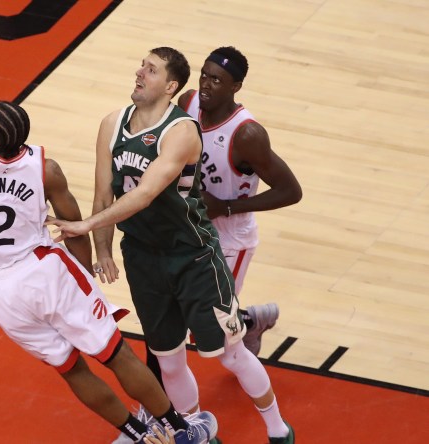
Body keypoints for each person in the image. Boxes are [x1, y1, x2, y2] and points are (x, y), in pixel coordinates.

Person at [0, 0, 217, 442]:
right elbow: (72, 223)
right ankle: (179, 431)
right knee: (115, 352)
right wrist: (84, 276)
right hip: (45, 270)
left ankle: (138, 435)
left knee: (71, 368)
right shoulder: (45, 168)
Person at [47, 47, 294, 443]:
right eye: (141, 65)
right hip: (144, 255)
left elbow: (143, 194)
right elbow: (103, 194)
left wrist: (86, 224)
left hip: (193, 254)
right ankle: (193, 431)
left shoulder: (183, 131)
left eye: (151, 69)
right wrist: (104, 249)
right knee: (168, 359)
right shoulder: (112, 123)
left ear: (170, 85)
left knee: (228, 352)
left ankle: (278, 428)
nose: (139, 72)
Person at [177, 46, 302, 356]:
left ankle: (247, 328)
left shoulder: (247, 135)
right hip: (192, 226)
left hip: (230, 239)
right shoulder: (188, 102)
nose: (206, 83)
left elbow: (291, 191)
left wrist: (227, 206)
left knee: (215, 333)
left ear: (235, 87)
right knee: (181, 312)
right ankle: (247, 320)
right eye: (204, 75)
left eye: (217, 80)